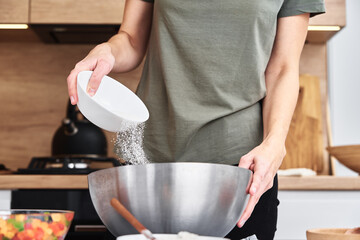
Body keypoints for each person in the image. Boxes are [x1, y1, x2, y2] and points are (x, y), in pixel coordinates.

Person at [67, 0, 325, 239]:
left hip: (242, 172)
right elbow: (131, 40)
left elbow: (283, 67)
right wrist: (108, 51)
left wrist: (275, 142)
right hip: (149, 167)